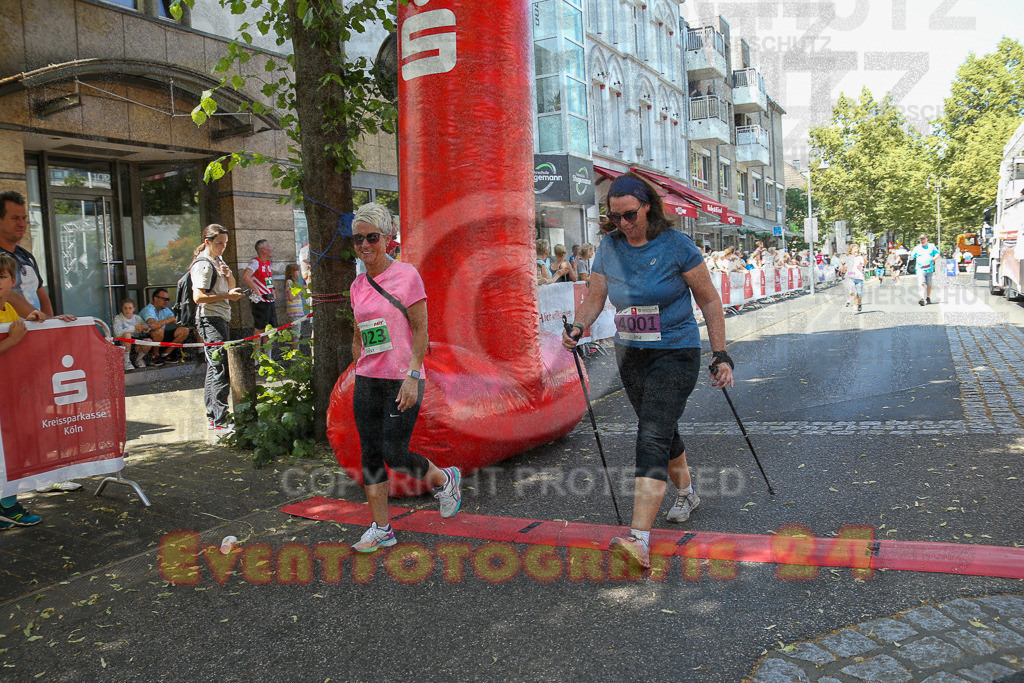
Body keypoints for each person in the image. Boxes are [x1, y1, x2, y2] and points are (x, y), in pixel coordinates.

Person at [563, 172, 734, 570]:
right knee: (661, 427)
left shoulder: (677, 245)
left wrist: (721, 353)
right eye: (615, 217)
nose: (624, 224)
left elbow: (709, 301)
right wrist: (577, 326)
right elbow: (595, 297)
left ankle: (638, 537)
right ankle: (687, 493)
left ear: (648, 208)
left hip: (677, 350)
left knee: (651, 432)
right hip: (632, 352)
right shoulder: (610, 247)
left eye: (630, 215)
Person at [347, 202, 461, 552]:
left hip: (402, 377)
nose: (365, 245)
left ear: (387, 238)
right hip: (368, 378)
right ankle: (382, 527)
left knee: (394, 453)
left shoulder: (407, 275)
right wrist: (357, 369)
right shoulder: (357, 284)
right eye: (358, 239)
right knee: (369, 455)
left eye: (372, 237)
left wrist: (413, 375)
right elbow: (358, 335)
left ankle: (444, 479)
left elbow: (421, 331)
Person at [0, 253, 41, 529]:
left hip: (10, 394)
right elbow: (15, 341)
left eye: (1, 276)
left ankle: (6, 503)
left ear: (12, 281)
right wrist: (13, 340)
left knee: (12, 449)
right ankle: (9, 506)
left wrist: (49, 322)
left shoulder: (9, 310)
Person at [190, 225, 244, 433]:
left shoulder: (218, 261)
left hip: (220, 317)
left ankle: (213, 417)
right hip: (210, 319)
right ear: (207, 242)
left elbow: (230, 287)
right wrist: (227, 297)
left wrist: (229, 276)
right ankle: (220, 419)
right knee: (220, 369)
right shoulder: (203, 264)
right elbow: (198, 297)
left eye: (225, 244)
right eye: (219, 243)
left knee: (215, 368)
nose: (223, 247)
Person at [242, 239, 277, 355]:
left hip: (269, 300)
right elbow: (246, 276)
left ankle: (268, 357)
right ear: (263, 250)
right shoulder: (255, 262)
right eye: (270, 247)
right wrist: (257, 290)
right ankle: (256, 359)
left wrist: (273, 290)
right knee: (260, 329)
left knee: (269, 329)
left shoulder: (267, 263)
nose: (272, 249)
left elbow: (268, 279)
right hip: (260, 301)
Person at [139, 288, 189, 365]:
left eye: (167, 299)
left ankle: (165, 354)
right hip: (146, 337)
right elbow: (153, 325)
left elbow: (177, 322)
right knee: (159, 331)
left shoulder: (165, 309)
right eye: (164, 299)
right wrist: (171, 319)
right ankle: (155, 356)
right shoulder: (148, 310)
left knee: (184, 330)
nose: (166, 301)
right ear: (155, 299)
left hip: (160, 336)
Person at [113, 298, 150, 371]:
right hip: (122, 342)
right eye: (125, 308)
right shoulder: (118, 318)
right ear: (122, 309)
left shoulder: (137, 318)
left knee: (149, 341)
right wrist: (134, 327)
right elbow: (117, 333)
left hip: (135, 341)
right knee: (127, 334)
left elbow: (147, 329)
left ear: (134, 309)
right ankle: (126, 361)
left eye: (130, 308)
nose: (127, 310)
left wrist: (145, 329)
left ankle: (138, 360)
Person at [910, 234, 940, 305]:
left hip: (929, 268)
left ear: (927, 239)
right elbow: (912, 256)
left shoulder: (931, 246)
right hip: (920, 268)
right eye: (921, 239)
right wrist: (910, 255)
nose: (922, 240)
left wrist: (933, 259)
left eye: (923, 239)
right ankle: (922, 298)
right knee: (922, 283)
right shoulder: (917, 248)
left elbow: (937, 254)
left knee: (929, 284)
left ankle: (928, 297)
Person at [284, 264, 307, 350]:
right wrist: (300, 290)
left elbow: (300, 296)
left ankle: (297, 353)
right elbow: (291, 297)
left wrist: (303, 290)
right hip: (294, 311)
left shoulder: (296, 283)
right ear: (292, 272)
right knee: (295, 335)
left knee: (297, 334)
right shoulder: (289, 282)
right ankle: (295, 355)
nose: (298, 272)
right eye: (297, 270)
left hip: (299, 311)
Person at [840, 244, 866, 312]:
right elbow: (844, 266)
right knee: (855, 292)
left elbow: (864, 263)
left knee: (859, 294)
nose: (856, 250)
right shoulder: (848, 258)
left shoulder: (860, 257)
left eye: (857, 249)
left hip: (859, 277)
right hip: (851, 277)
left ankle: (859, 303)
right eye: (855, 249)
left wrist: (865, 258)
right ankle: (855, 307)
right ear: (851, 251)